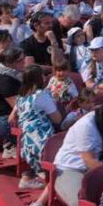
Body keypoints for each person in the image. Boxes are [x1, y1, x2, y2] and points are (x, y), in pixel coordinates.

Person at [28, 100, 103, 206]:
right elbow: (88, 161)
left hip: (94, 167)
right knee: (82, 203)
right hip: (69, 169)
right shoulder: (87, 125)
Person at [12, 64, 62, 192]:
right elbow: (57, 119)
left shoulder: (20, 97)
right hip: (42, 142)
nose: (45, 77)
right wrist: (55, 104)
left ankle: (28, 178)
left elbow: (11, 119)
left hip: (25, 143)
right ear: (38, 78)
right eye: (42, 75)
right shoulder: (42, 95)